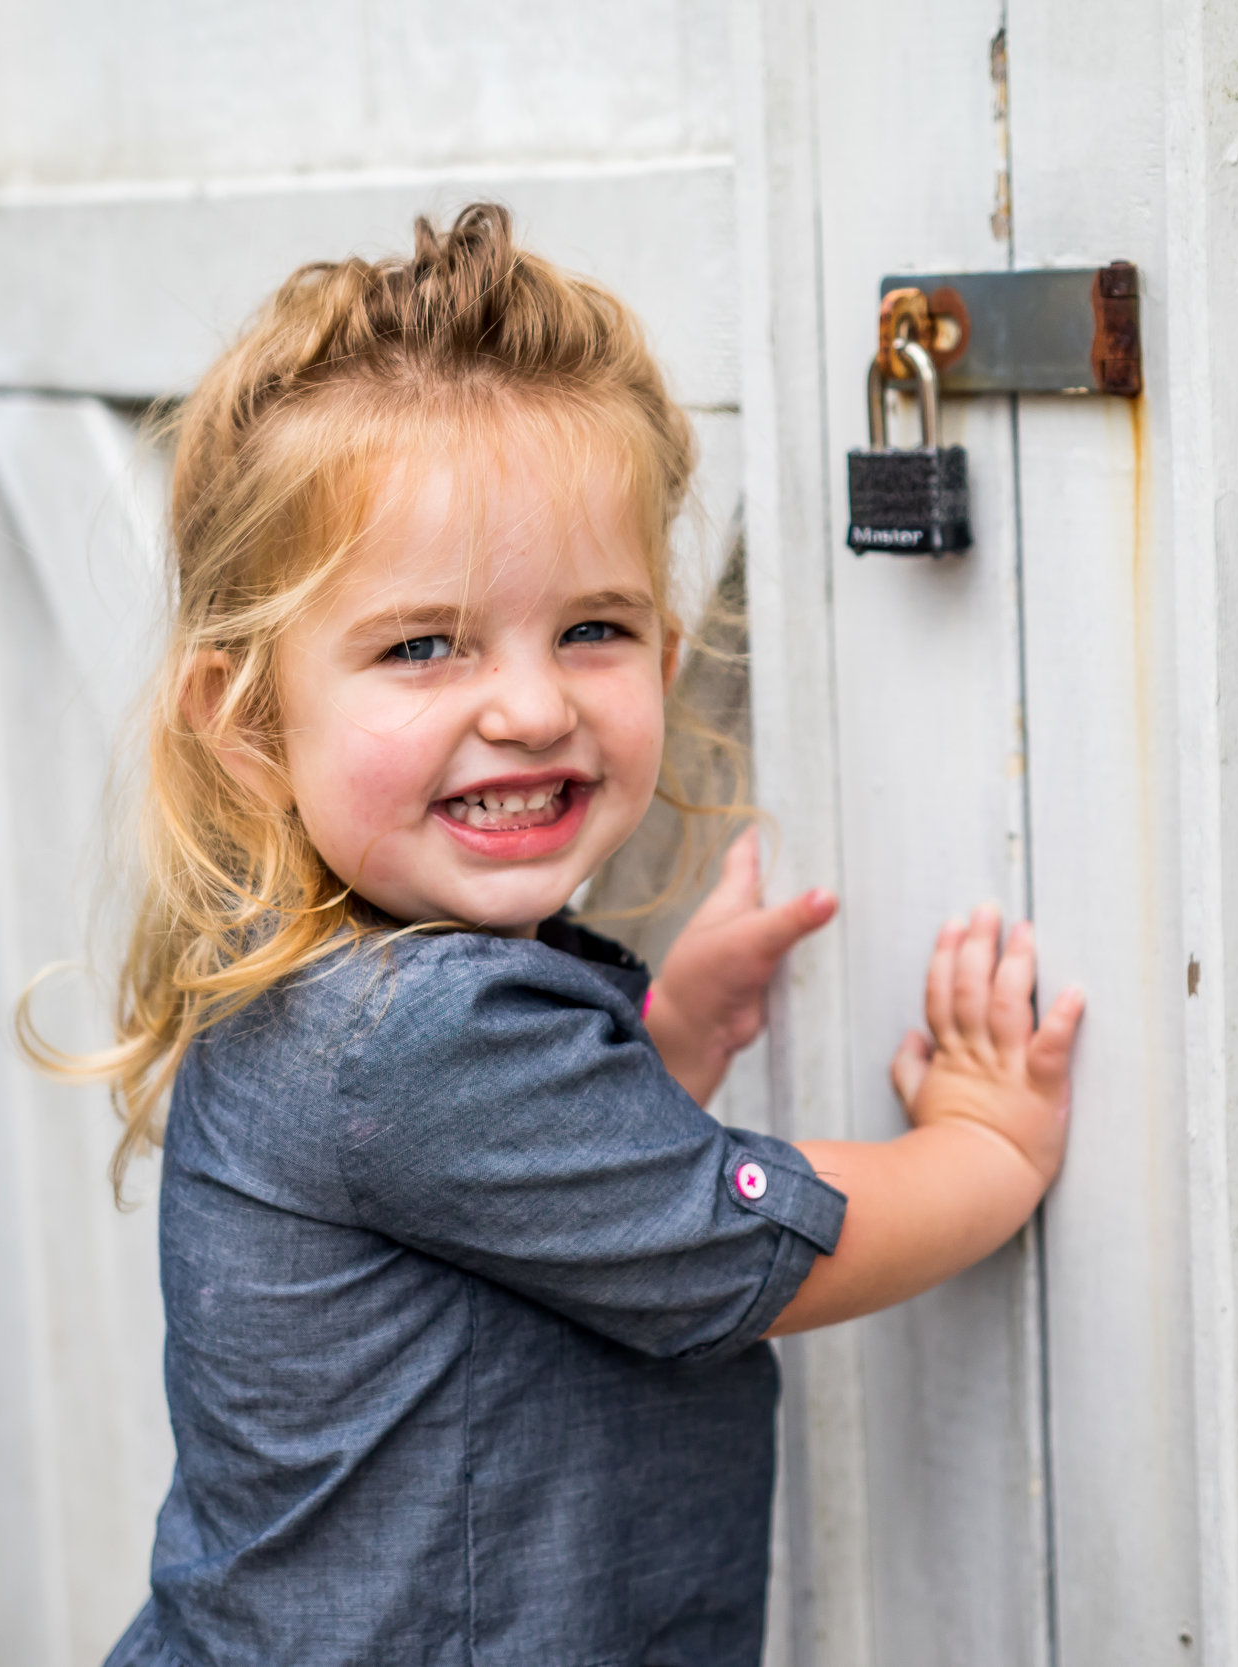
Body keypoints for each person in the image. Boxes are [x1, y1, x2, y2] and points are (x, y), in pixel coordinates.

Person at [54, 202, 1083, 1666]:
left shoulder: (333, 990)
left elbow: (507, 1214)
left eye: (591, 630)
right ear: (249, 720)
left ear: (666, 656)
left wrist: (662, 1043)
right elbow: (741, 1253)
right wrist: (983, 1151)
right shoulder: (411, 1040)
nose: (532, 705)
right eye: (425, 644)